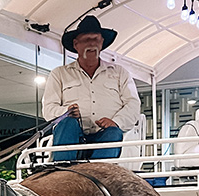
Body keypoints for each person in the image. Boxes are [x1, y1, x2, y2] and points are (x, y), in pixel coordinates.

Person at [42, 16, 141, 161]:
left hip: (104, 136)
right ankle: (61, 169)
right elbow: (48, 109)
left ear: (102, 43)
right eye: (87, 40)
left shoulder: (119, 72)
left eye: (96, 39)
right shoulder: (59, 74)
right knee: (67, 123)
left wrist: (116, 121)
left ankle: (97, 175)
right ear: (76, 44)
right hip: (71, 137)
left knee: (114, 132)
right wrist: (66, 112)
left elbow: (133, 104)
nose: (92, 44)